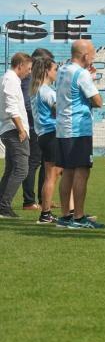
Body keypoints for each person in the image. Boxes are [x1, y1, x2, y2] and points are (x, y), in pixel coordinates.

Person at [54, 40, 104, 228]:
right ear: (85, 56)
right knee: (82, 172)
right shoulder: (82, 74)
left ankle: (66, 215)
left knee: (67, 171)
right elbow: (98, 101)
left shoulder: (62, 70)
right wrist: (90, 78)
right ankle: (79, 217)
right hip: (78, 129)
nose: (94, 57)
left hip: (63, 128)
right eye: (92, 54)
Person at [0, 53, 34, 219]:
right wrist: (21, 129)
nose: (29, 73)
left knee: (11, 169)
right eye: (28, 69)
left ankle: (2, 205)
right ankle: (4, 207)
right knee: (21, 170)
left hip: (10, 129)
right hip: (14, 130)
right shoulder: (11, 80)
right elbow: (12, 106)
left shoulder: (10, 79)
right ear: (19, 65)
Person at [21, 48, 54, 211]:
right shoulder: (29, 80)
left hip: (39, 128)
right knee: (33, 163)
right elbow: (27, 104)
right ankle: (28, 201)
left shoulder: (35, 81)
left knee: (45, 163)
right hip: (34, 127)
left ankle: (43, 200)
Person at [30, 56, 60, 224]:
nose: (57, 73)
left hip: (43, 135)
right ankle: (45, 213)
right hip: (51, 134)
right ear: (47, 71)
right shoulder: (46, 91)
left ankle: (47, 212)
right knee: (51, 176)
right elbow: (59, 112)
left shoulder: (36, 90)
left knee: (54, 174)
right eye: (55, 69)